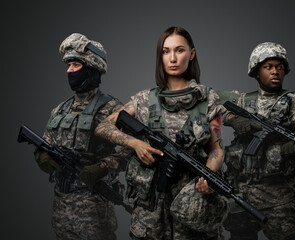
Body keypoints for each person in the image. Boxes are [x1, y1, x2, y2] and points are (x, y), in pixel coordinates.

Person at [95, 26, 228, 240]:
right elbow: (103, 127)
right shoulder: (144, 100)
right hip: (152, 212)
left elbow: (217, 150)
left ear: (192, 54)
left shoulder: (209, 100)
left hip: (192, 204)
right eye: (166, 51)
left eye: (180, 50)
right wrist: (135, 144)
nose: (173, 58)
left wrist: (208, 175)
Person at [221, 42, 295, 240]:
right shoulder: (242, 100)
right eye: (269, 67)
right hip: (241, 191)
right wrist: (233, 119)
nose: (275, 72)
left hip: (278, 195)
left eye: (279, 67)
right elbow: (210, 102)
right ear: (257, 72)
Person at [34, 33, 127, 240]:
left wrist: (104, 167)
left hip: (93, 206)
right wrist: (42, 156)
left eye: (75, 65)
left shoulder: (112, 108)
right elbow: (44, 143)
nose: (69, 71)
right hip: (61, 203)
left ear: (91, 67)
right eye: (68, 65)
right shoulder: (60, 109)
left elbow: (133, 149)